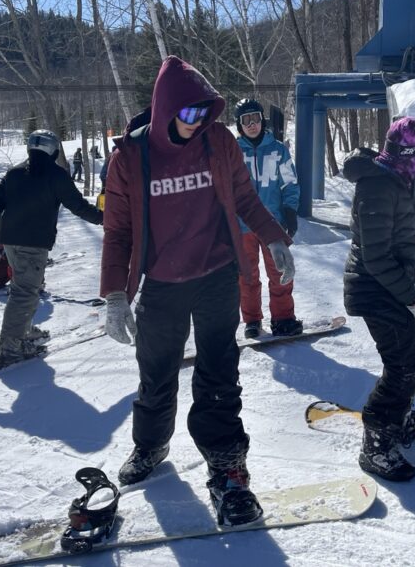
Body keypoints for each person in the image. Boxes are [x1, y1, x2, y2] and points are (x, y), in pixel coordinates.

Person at [100, 56, 295, 527]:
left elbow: (245, 196)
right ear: (166, 108)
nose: (198, 121)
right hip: (161, 284)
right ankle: (150, 446)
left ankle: (227, 466)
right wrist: (114, 295)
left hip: (216, 277)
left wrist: (273, 237)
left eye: (206, 112)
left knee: (220, 373)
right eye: (189, 113)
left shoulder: (218, 141)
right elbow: (118, 231)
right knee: (156, 373)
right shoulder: (130, 158)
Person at [342, 116, 415, 482]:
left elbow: (402, 243)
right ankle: (376, 442)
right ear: (408, 153)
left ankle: (395, 420)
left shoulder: (396, 181)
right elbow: (376, 256)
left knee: (411, 353)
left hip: (388, 286)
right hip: (373, 288)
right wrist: (410, 296)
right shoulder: (378, 187)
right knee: (402, 364)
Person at [0, 130, 103, 363]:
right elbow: (79, 207)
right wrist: (108, 218)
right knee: (24, 294)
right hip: (33, 244)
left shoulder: (14, 173)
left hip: (10, 243)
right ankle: (11, 347)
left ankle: (23, 332)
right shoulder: (56, 175)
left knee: (25, 289)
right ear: (53, 150)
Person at [233, 98, 302, 339]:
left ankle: (283, 318)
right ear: (239, 125)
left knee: (280, 270)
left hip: (274, 224)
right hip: (243, 225)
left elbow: (290, 183)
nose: (252, 124)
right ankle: (252, 320)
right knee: (247, 275)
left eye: (256, 118)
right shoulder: (233, 152)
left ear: (263, 120)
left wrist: (290, 210)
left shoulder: (278, 150)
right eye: (246, 120)